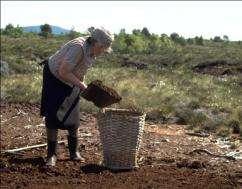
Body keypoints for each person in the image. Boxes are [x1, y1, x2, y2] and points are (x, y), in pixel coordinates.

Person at [40, 27, 114, 166]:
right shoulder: (78, 48)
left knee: (73, 114)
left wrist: (84, 86)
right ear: (96, 43)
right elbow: (63, 71)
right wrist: (82, 86)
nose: (103, 51)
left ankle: (74, 152)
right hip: (55, 77)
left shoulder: (92, 51)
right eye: (103, 48)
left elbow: (80, 70)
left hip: (71, 78)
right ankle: (51, 155)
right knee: (53, 114)